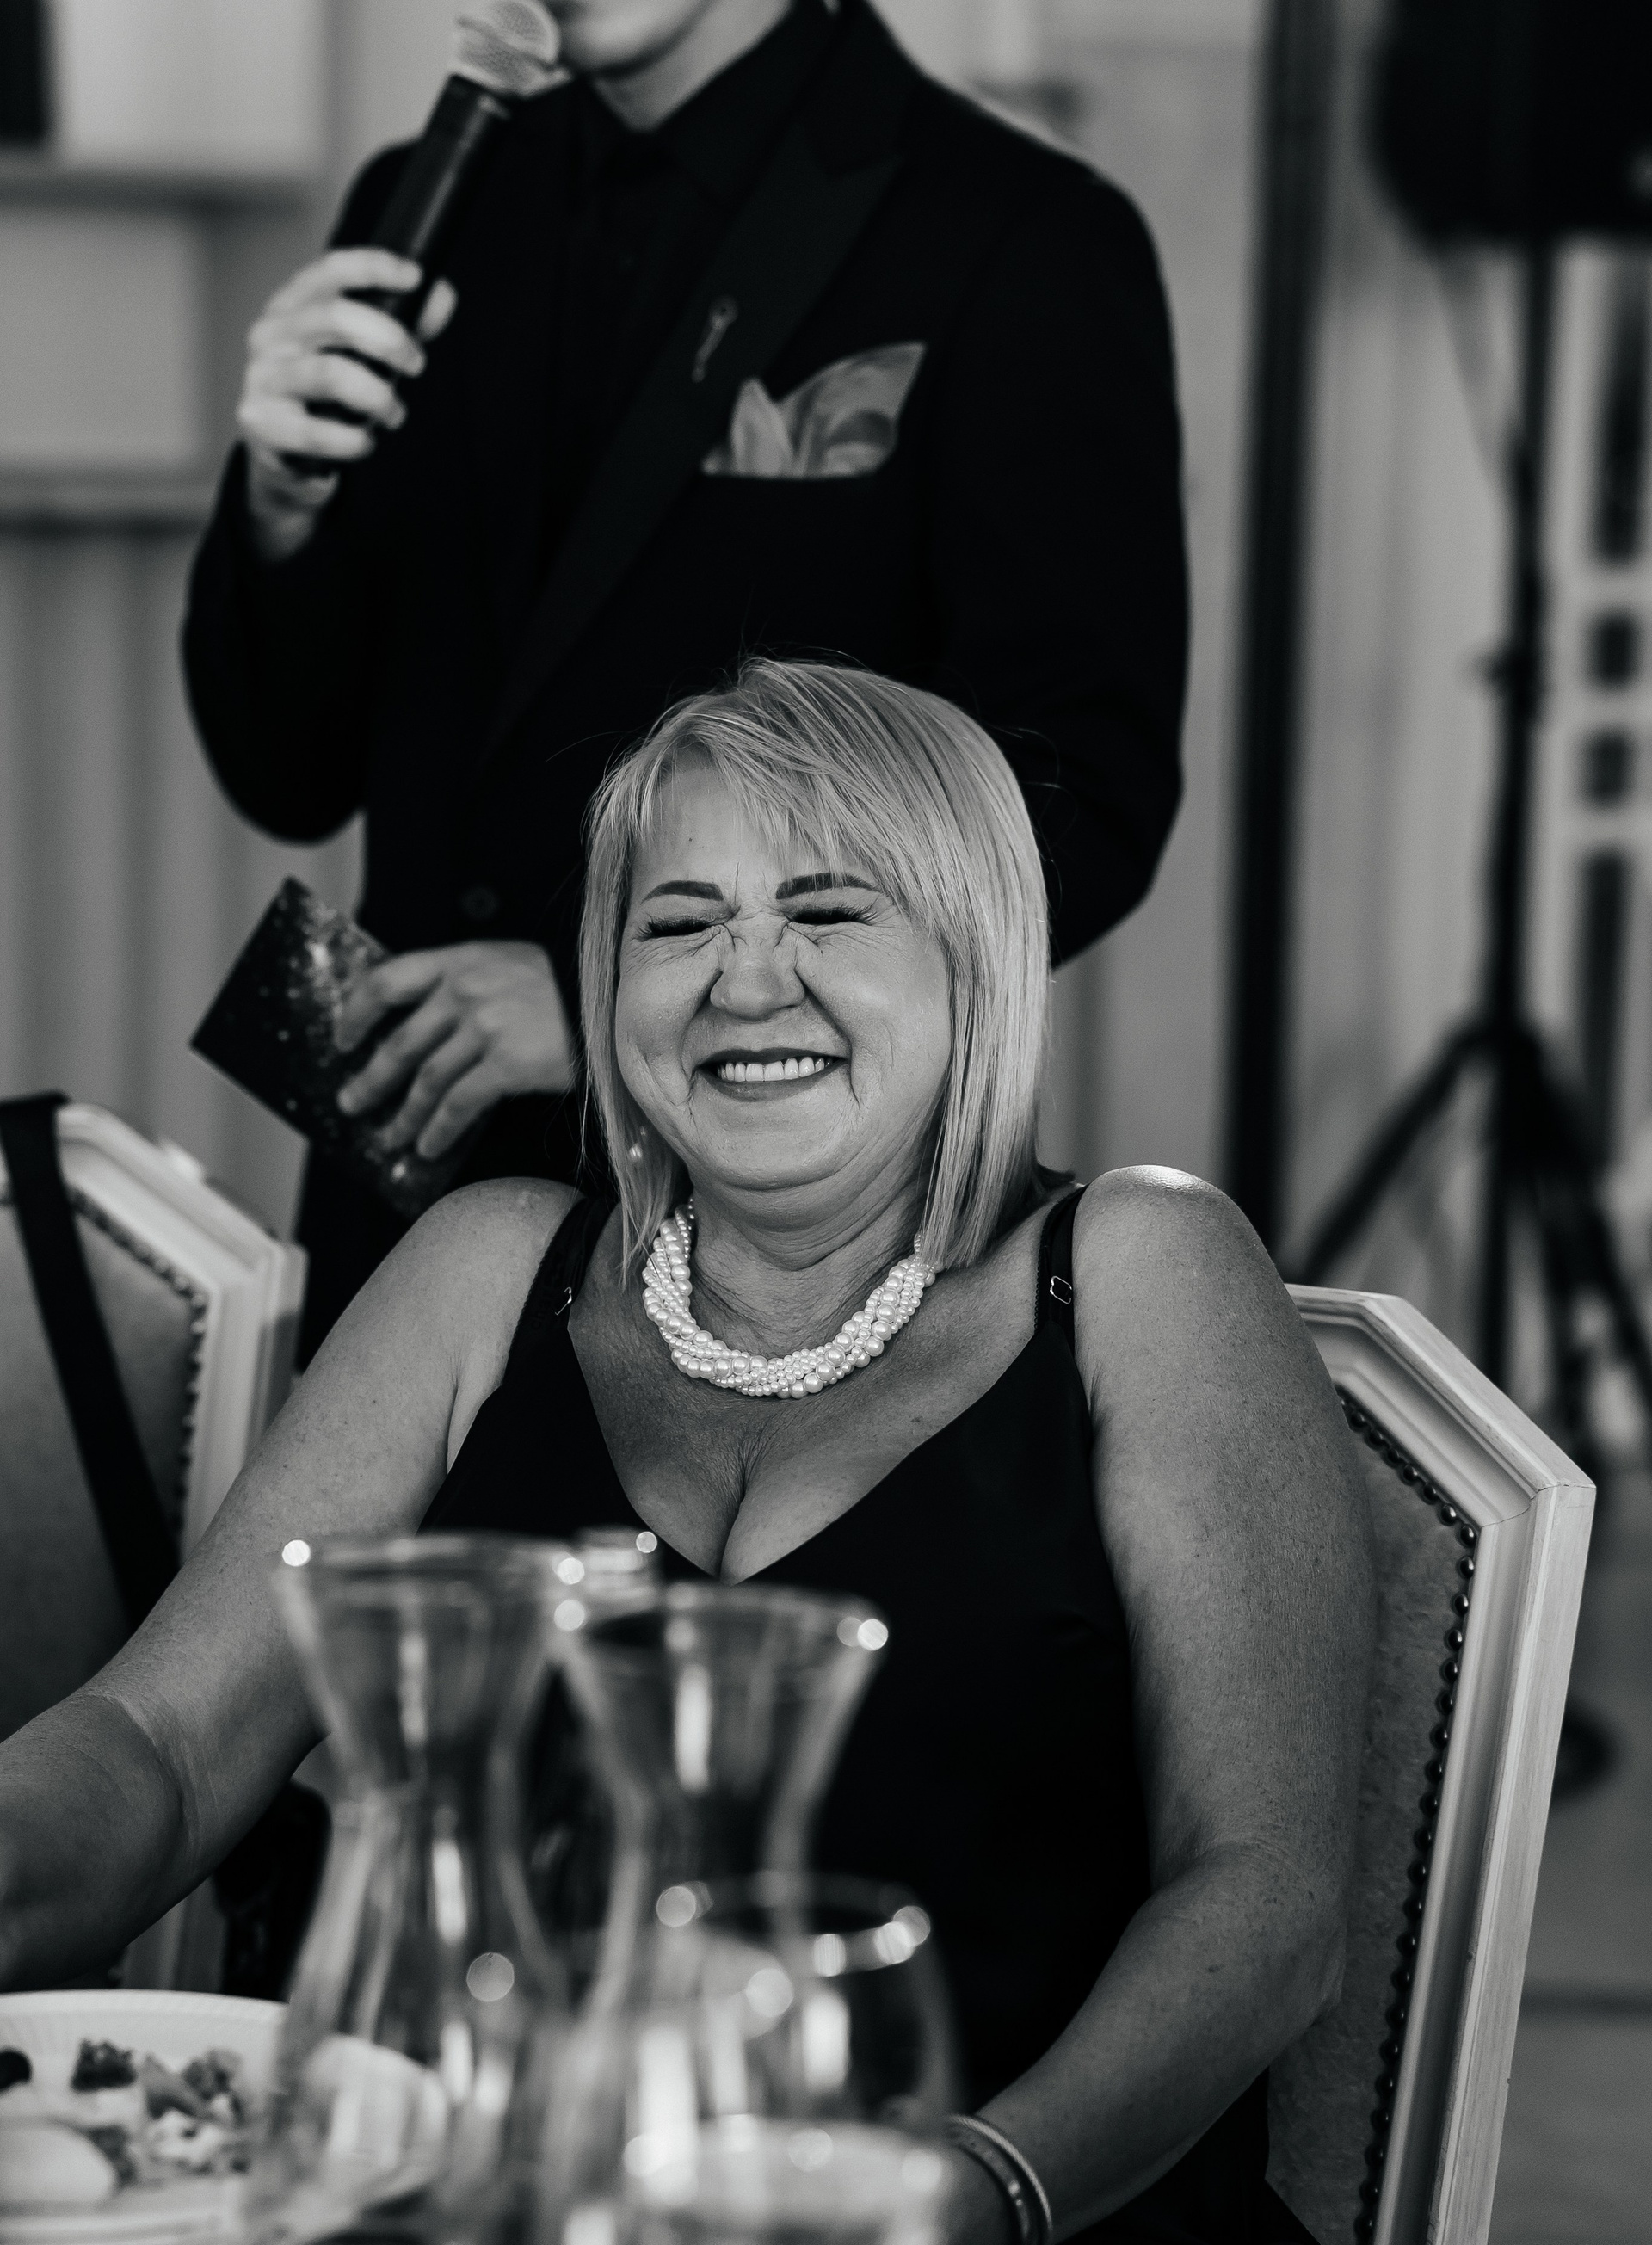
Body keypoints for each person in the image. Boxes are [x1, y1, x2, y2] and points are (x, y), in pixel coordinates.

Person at [0, 662, 1370, 2245]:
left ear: (979, 962)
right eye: (679, 923)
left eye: (828, 910)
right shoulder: (484, 1270)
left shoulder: (1142, 1270)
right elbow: (164, 1749)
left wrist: (963, 2194)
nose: (744, 979)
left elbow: (1265, 1897)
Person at [182, 0, 1189, 1360]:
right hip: (411, 1219)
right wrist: (282, 508)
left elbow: (1082, 793)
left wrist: (606, 989)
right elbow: (286, 765)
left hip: (787, 1229)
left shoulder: (1019, 236)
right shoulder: (418, 202)